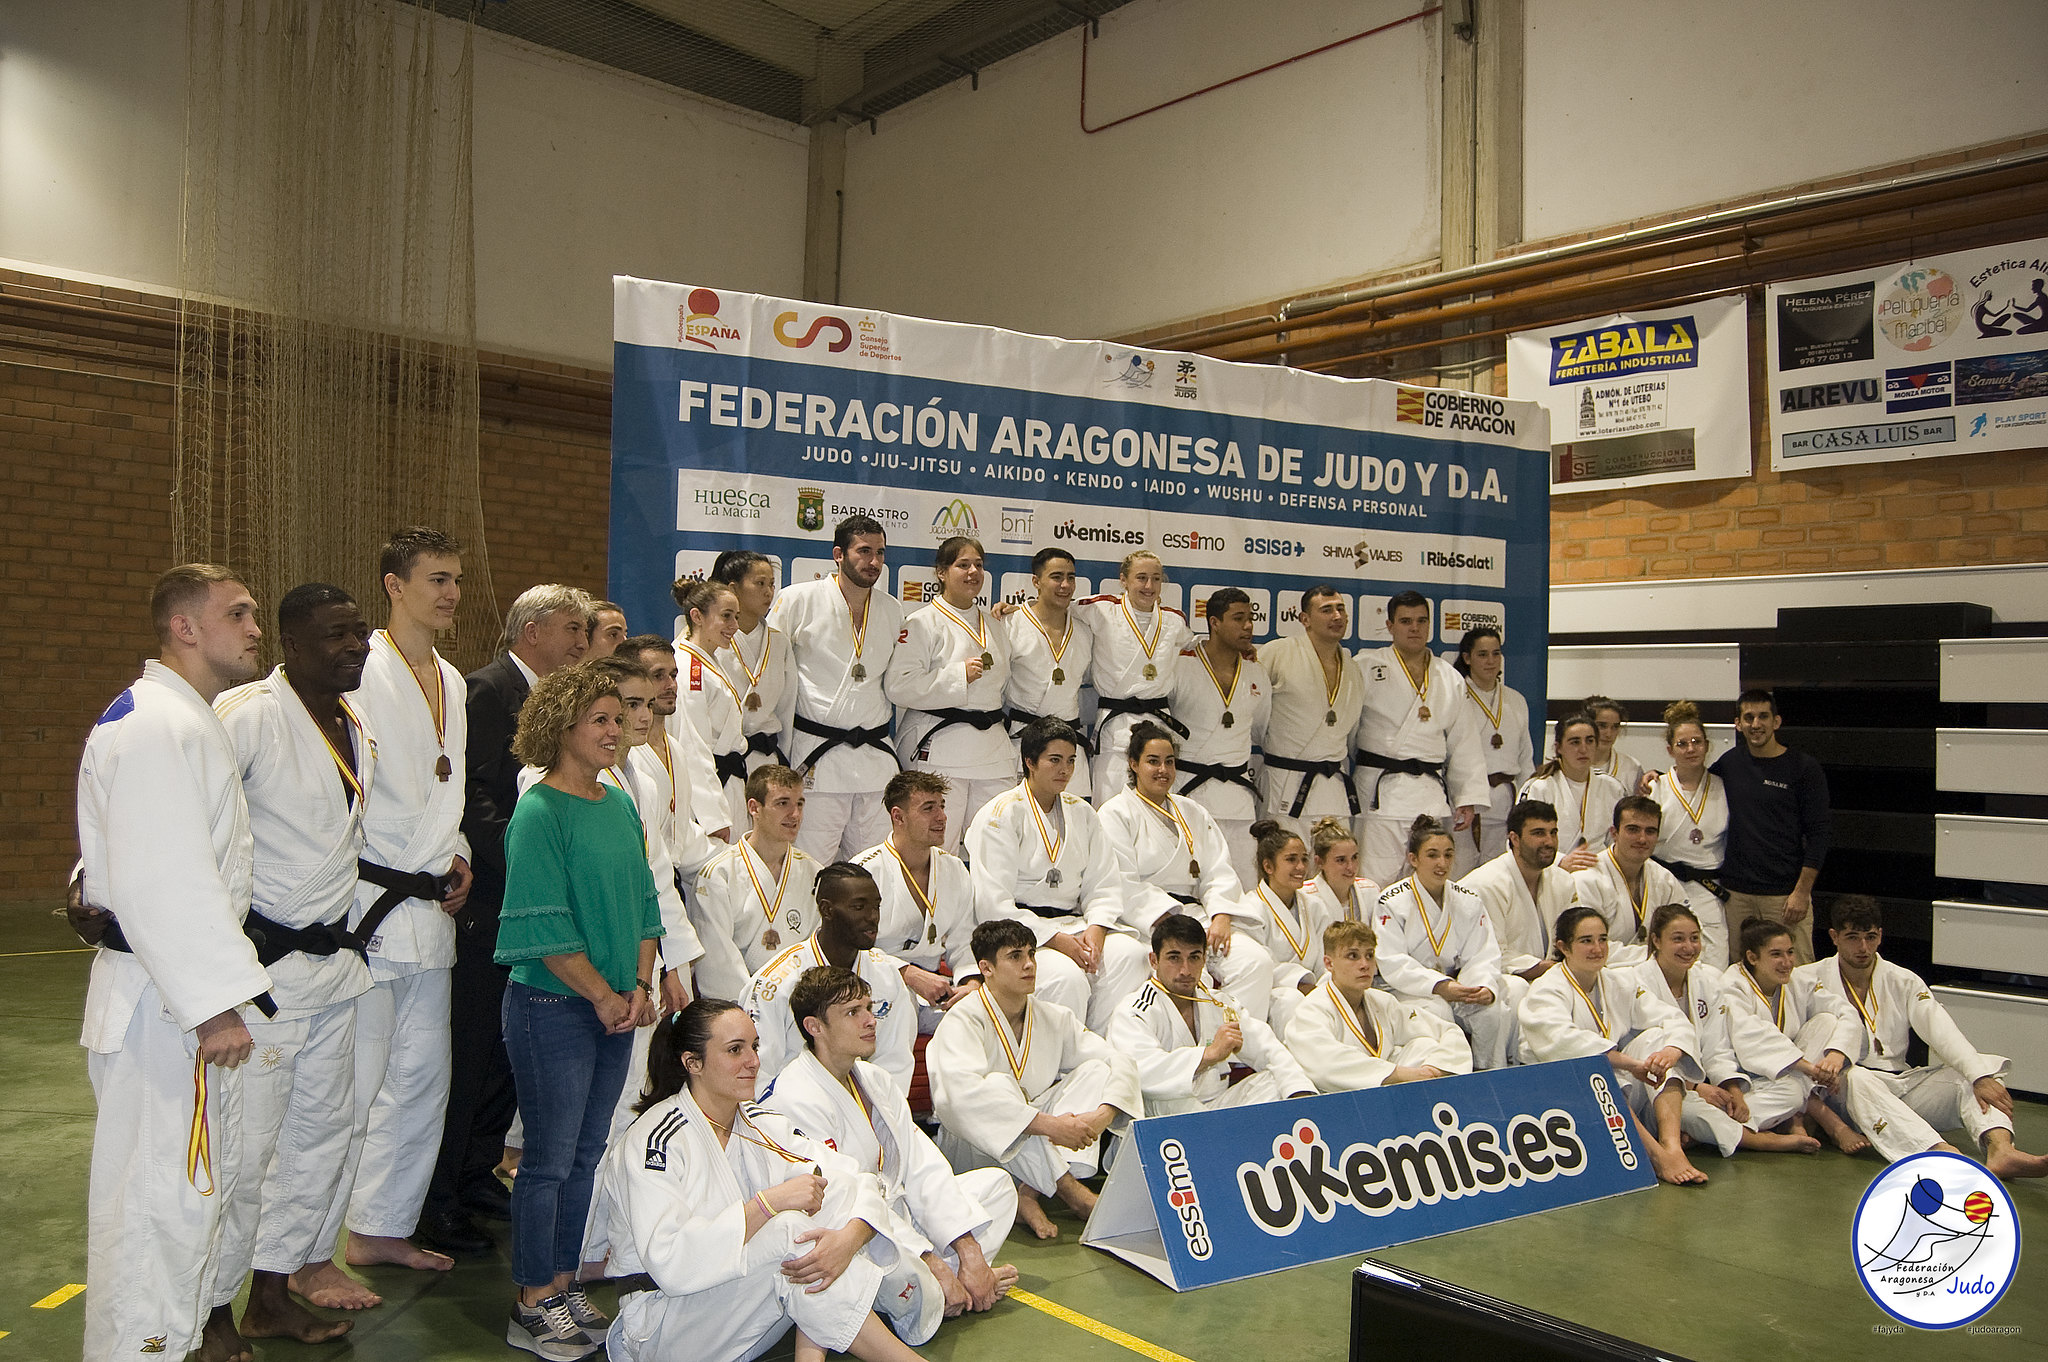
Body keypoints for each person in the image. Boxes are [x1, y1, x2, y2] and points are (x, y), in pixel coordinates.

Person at [76, 564, 272, 1362]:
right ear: (184, 628)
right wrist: (214, 1003)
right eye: (238, 613)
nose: (255, 627)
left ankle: (173, 1343)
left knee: (184, 1198)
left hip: (163, 997)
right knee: (160, 1203)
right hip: (165, 1005)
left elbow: (113, 864)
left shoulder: (173, 717)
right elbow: (162, 879)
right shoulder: (161, 723)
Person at [207, 585, 378, 1347]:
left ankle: (270, 1293)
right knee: (245, 1152)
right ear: (290, 643)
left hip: (332, 968)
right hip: (265, 973)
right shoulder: (247, 716)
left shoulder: (353, 720)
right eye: (338, 635)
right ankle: (210, 1306)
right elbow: (186, 807)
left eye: (360, 633)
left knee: (321, 1136)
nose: (356, 646)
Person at [304, 529, 473, 1301]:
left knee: (420, 1079)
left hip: (429, 906)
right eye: (436, 579)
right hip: (370, 903)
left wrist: (459, 851)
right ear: (393, 586)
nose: (450, 594)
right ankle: (309, 1248)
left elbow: (448, 786)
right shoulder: (359, 671)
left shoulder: (453, 680)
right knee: (351, 1084)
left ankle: (379, 1228)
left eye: (457, 581)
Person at [586, 999, 943, 1362]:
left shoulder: (758, 1123)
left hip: (736, 1309)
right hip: (662, 1324)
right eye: (735, 1050)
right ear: (692, 1063)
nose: (753, 1061)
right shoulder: (655, 1141)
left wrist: (849, 1240)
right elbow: (673, 1262)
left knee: (822, 1216)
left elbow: (852, 1180)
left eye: (754, 1046)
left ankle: (811, 1354)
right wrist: (766, 1205)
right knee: (789, 1229)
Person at [493, 659, 664, 1359]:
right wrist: (602, 995)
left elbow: (646, 901)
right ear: (561, 728)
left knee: (587, 1155)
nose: (615, 732)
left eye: (619, 720)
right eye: (601, 720)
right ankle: (532, 1298)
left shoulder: (618, 802)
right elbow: (543, 927)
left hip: (614, 1007)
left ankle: (563, 1284)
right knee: (548, 1159)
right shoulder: (539, 812)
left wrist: (641, 986)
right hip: (553, 1007)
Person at [429, 583, 593, 1256]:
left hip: (524, 901)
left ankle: (476, 1176)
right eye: (571, 629)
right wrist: (529, 862)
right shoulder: (487, 691)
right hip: (494, 898)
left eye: (587, 630)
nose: (582, 641)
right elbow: (471, 794)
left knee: (503, 1057)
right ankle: (438, 1204)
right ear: (531, 632)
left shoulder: (552, 701)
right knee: (470, 1056)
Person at [761, 967, 1020, 1318]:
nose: (871, 1020)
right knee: (915, 1280)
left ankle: (961, 1280)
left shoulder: (873, 1078)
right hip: (852, 1228)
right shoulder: (795, 1096)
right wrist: (932, 1261)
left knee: (999, 1187)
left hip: (894, 1213)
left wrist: (968, 1250)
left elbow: (921, 1164)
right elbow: (846, 1196)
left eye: (869, 1008)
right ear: (815, 1027)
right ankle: (944, 1288)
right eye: (854, 1013)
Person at [1797, 896, 2047, 1177]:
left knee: (1981, 1069)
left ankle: (2001, 1149)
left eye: (1870, 937)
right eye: (1853, 937)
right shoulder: (1806, 980)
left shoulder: (1903, 980)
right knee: (1857, 1076)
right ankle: (1939, 1151)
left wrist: (1978, 1077)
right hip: (1843, 1092)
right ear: (1834, 937)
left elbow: (1940, 1030)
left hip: (1899, 1083)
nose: (1863, 947)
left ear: (1880, 936)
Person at [928, 920, 1143, 1241]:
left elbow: (1118, 1062)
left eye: (1031, 953)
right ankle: (1070, 1191)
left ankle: (1028, 1193)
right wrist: (1049, 1126)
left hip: (1032, 1152)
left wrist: (1103, 1116)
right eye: (1015, 956)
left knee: (1097, 1071)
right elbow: (959, 1098)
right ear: (985, 968)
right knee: (999, 1088)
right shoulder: (962, 1020)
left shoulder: (1052, 1016)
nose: (1029, 964)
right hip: (974, 1153)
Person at [963, 718, 1150, 1033]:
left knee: (1132, 956)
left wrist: (1097, 929)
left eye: (1071, 761)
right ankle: (1060, 1064)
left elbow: (1103, 883)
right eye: (1055, 760)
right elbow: (993, 904)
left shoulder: (1083, 813)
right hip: (1019, 934)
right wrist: (1057, 940)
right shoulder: (999, 816)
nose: (1065, 769)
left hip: (1074, 925)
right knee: (1067, 976)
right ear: (1030, 762)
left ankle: (1100, 1047)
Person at [1518, 906, 1710, 1186]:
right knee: (1594, 1067)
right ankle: (1656, 1155)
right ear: (1563, 947)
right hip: (1562, 1092)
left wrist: (1671, 1051)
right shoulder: (1546, 990)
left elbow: (1671, 1018)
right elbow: (1564, 1041)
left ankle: (1672, 1146)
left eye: (1603, 939)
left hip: (1616, 1088)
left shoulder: (1620, 981)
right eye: (1586, 941)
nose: (1597, 948)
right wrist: (1630, 1064)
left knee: (1657, 1038)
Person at [1097, 722, 1275, 1010]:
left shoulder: (1192, 811)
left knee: (1255, 962)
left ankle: (1237, 1044)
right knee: (1188, 971)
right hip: (1149, 922)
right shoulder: (1115, 813)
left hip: (1200, 917)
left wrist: (1221, 915)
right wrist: (1172, 920)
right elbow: (1121, 882)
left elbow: (1219, 871)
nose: (1163, 770)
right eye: (1152, 762)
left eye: (1169, 762)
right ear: (1133, 764)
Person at [1625, 905, 1819, 1159]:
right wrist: (1695, 1088)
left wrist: (1733, 1089)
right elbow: (1642, 1053)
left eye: (1695, 938)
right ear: (1656, 941)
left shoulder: (1707, 981)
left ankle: (1708, 1132)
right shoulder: (1633, 981)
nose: (1689, 946)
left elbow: (1718, 1047)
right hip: (1654, 1090)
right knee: (1689, 1107)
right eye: (1678, 939)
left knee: (1791, 1092)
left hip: (1703, 1089)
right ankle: (1758, 1140)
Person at [771, 514, 905, 862]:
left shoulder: (892, 610)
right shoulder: (797, 600)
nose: (874, 561)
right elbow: (767, 669)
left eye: (880, 552)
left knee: (876, 869)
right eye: (864, 551)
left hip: (875, 763)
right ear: (838, 554)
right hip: (819, 759)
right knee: (811, 867)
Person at [1719, 919, 1900, 1158]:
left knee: (1827, 1021)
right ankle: (1812, 1121)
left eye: (1790, 952)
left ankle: (1792, 1117)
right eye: (1776, 954)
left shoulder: (1798, 981)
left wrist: (1835, 1056)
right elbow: (1752, 1035)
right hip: (1742, 1079)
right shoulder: (1731, 984)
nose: (1787, 962)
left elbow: (1846, 1012)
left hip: (1789, 1077)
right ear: (1752, 958)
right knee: (1788, 1095)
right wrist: (1811, 1069)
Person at [1107, 914, 1314, 1114]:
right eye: (1174, 958)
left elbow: (1267, 1047)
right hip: (1164, 1119)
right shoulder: (1135, 1010)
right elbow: (1141, 1072)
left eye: (1194, 957)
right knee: (1167, 1100)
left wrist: (1300, 1092)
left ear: (1204, 959)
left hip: (1215, 1109)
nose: (1185, 970)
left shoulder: (1219, 1004)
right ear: (1154, 960)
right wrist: (1208, 1055)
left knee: (1277, 1082)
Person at [613, 634, 723, 1007]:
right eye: (657, 675)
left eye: (673, 674)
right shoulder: (617, 767)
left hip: (663, 903)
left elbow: (678, 843)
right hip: (634, 916)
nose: (670, 685)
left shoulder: (673, 750)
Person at [885, 535, 1016, 850]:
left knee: (995, 845)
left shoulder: (995, 626)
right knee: (937, 847)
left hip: (993, 752)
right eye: (963, 565)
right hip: (941, 748)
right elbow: (898, 685)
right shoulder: (920, 623)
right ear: (941, 572)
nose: (973, 572)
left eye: (979, 565)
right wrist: (957, 676)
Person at [1351, 591, 1488, 884]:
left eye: (1421, 620)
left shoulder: (1448, 676)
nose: (1414, 627)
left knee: (1429, 882)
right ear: (1390, 626)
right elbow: (1348, 731)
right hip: (1379, 795)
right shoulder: (1365, 666)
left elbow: (1463, 741)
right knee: (1374, 882)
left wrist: (1467, 797)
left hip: (1430, 797)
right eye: (1405, 621)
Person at [740, 863, 918, 1089]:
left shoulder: (887, 974)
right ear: (827, 910)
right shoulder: (776, 982)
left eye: (876, 906)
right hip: (795, 1111)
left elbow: (895, 1062)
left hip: (867, 1110)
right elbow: (760, 1073)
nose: (872, 917)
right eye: (858, 907)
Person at [1371, 816, 1519, 1070]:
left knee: (1494, 1008)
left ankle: (1488, 1072)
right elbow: (1391, 960)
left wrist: (1480, 986)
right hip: (1410, 990)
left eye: (1448, 855)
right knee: (1438, 1011)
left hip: (1459, 984)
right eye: (1432, 855)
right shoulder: (1391, 900)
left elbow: (1483, 953)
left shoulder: (1468, 899)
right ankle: (1450, 1076)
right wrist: (1439, 985)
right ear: (1413, 859)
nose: (1442, 863)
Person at [1712, 689, 1831, 964]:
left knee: (1796, 976)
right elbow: (1694, 787)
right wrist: (1655, 778)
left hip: (1785, 897)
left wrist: (1801, 892)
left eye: (1763, 716)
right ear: (1738, 724)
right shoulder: (1729, 764)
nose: (1756, 724)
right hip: (1736, 896)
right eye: (1749, 717)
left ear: (1776, 721)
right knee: (1740, 977)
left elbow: (1819, 833)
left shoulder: (1803, 768)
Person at [853, 772, 978, 1029]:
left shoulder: (954, 868)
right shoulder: (863, 872)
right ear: (898, 817)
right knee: (899, 1005)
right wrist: (907, 974)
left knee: (986, 1013)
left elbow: (964, 942)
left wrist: (971, 984)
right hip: (878, 984)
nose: (942, 817)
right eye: (928, 809)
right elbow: (847, 949)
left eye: (941, 807)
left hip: (936, 990)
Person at [1288, 921, 1472, 1092]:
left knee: (1425, 1045)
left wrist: (1434, 1068)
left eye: (1369, 955)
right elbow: (1324, 1065)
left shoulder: (1382, 1002)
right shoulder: (1312, 1009)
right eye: (1353, 956)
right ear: (1329, 963)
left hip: (1386, 1093)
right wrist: (1400, 1074)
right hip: (1339, 1100)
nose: (1364, 965)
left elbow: (1447, 1030)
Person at [1074, 550, 1195, 806]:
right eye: (1141, 577)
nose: (1149, 586)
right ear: (1123, 580)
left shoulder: (1174, 620)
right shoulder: (1101, 609)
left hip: (1158, 724)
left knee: (1156, 809)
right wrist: (1019, 609)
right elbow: (1054, 609)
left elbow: (1198, 650)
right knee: (1109, 811)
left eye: (1156, 578)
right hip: (1115, 729)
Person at [691, 765, 822, 1001]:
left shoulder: (814, 873)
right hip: (738, 1007)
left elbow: (817, 948)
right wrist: (757, 1008)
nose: (795, 814)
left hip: (798, 1003)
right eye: (782, 803)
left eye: (799, 803)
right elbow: (718, 962)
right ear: (754, 808)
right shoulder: (718, 875)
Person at [1169, 587, 1270, 885]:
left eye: (1250, 618)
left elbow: (1260, 728)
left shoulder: (1256, 671)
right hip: (1189, 792)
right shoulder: (1180, 663)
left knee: (1241, 883)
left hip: (1237, 797)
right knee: (1187, 883)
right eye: (1238, 619)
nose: (1248, 626)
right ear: (1214, 623)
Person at [1257, 585, 1361, 851]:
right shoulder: (1277, 653)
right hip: (1286, 784)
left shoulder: (1354, 668)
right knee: (1285, 867)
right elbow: (1253, 712)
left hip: (1334, 789)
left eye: (1340, 609)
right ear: (1305, 619)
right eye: (1326, 610)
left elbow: (1352, 733)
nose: (1337, 616)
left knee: (1335, 871)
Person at [1212, 821, 1331, 1034]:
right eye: (1291, 860)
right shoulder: (1249, 909)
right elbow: (1261, 965)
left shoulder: (1314, 906)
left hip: (1314, 990)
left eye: (1304, 859)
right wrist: (1302, 984)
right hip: (1272, 995)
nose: (1301, 867)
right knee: (1290, 1000)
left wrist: (1323, 987)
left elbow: (1327, 958)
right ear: (1268, 867)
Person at [1000, 547, 1096, 801]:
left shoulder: (1085, 632)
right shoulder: (1011, 623)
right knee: (1019, 822)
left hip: (1068, 741)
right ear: (1036, 581)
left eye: (1071, 577)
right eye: (1056, 577)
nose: (1065, 585)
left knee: (1073, 827)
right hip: (1022, 739)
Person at [1645, 700, 1732, 967]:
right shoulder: (1655, 788)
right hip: (1664, 886)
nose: (1691, 749)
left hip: (1708, 890)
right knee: (1665, 963)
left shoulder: (1724, 786)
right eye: (1682, 744)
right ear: (1670, 750)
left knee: (1714, 967)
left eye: (1697, 741)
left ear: (1707, 745)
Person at [1458, 800, 1570, 987]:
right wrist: (1555, 970)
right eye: (1538, 833)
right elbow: (1491, 953)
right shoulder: (1486, 884)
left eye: (1553, 832)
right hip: (1495, 981)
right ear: (1515, 838)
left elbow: (1575, 937)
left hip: (1550, 976)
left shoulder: (1563, 881)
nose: (1549, 842)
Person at [673, 579, 750, 837]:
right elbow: (692, 745)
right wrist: (713, 818)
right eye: (726, 616)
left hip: (727, 780)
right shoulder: (688, 669)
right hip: (708, 790)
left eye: (736, 617)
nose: (734, 626)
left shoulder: (708, 659)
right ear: (697, 616)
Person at [1571, 795, 1684, 968]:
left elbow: (1686, 932)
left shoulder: (1664, 879)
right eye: (1633, 829)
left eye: (1650, 831)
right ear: (1614, 833)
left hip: (1657, 971)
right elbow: (1590, 947)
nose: (1642, 839)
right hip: (1604, 973)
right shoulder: (1586, 879)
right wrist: (1659, 954)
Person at [712, 550, 797, 774]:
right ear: (732, 589)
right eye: (760, 583)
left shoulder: (779, 642)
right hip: (722, 760)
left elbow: (787, 708)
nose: (768, 592)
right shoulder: (710, 641)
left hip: (767, 759)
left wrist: (784, 758)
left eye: (771, 584)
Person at [1456, 627, 1533, 866]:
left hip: (1506, 803)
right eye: (1482, 654)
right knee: (1461, 874)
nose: (1491, 661)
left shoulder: (1516, 700)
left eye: (1496, 654)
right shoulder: (1455, 696)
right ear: (1467, 658)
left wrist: (1526, 804)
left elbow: (1525, 758)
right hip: (1467, 802)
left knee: (1500, 874)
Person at [1517, 713, 1624, 873]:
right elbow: (1520, 841)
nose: (1583, 749)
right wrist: (1560, 861)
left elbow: (1616, 839)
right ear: (1558, 747)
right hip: (1550, 870)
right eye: (1575, 742)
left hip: (1600, 871)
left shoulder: (1612, 787)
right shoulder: (1539, 787)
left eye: (1589, 741)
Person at [1308, 816, 1380, 924]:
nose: (1350, 867)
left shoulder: (1370, 891)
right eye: (1341, 860)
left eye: (1354, 857)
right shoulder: (1305, 896)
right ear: (1319, 862)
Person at [1583, 695, 1643, 799]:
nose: (1609, 733)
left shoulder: (1631, 767)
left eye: (1615, 727)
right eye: (1602, 726)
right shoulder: (1570, 765)